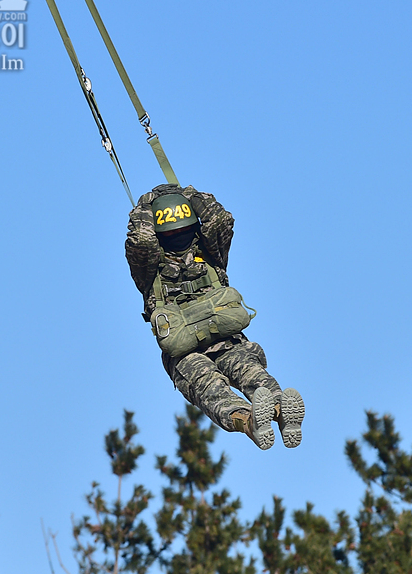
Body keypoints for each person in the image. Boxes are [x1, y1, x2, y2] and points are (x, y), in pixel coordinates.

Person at [125, 183, 304, 450]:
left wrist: (184, 195)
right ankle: (255, 420)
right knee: (216, 386)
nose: (180, 237)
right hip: (186, 353)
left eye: (184, 231)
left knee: (242, 379)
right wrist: (149, 202)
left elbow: (219, 219)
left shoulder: (209, 253)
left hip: (222, 341)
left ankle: (278, 409)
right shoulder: (152, 268)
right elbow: (140, 240)